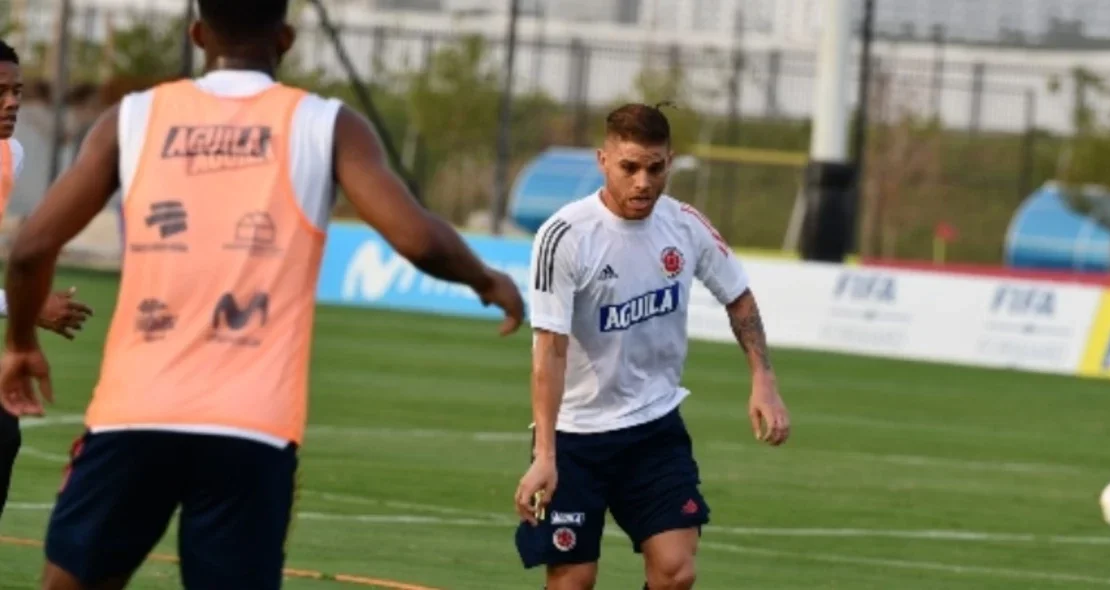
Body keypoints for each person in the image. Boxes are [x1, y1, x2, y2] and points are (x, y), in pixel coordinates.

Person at [0, 1, 525, 587]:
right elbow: (418, 238)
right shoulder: (326, 124)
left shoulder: (133, 119)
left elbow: (30, 249)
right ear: (286, 38)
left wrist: (20, 344)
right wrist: (488, 279)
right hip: (251, 428)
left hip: (133, 415)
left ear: (198, 34)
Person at [513, 103, 791, 590]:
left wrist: (763, 381)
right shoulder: (564, 237)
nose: (643, 181)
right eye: (630, 168)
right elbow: (549, 351)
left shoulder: (685, 225)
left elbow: (739, 297)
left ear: (670, 161)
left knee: (675, 570)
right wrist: (545, 454)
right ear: (603, 161)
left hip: (653, 428)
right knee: (573, 579)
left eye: (655, 168)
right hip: (577, 436)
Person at [0, 39, 94, 525]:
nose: (11, 102)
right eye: (0, 92)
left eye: (16, 91)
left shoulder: (9, 155)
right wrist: (25, 306)